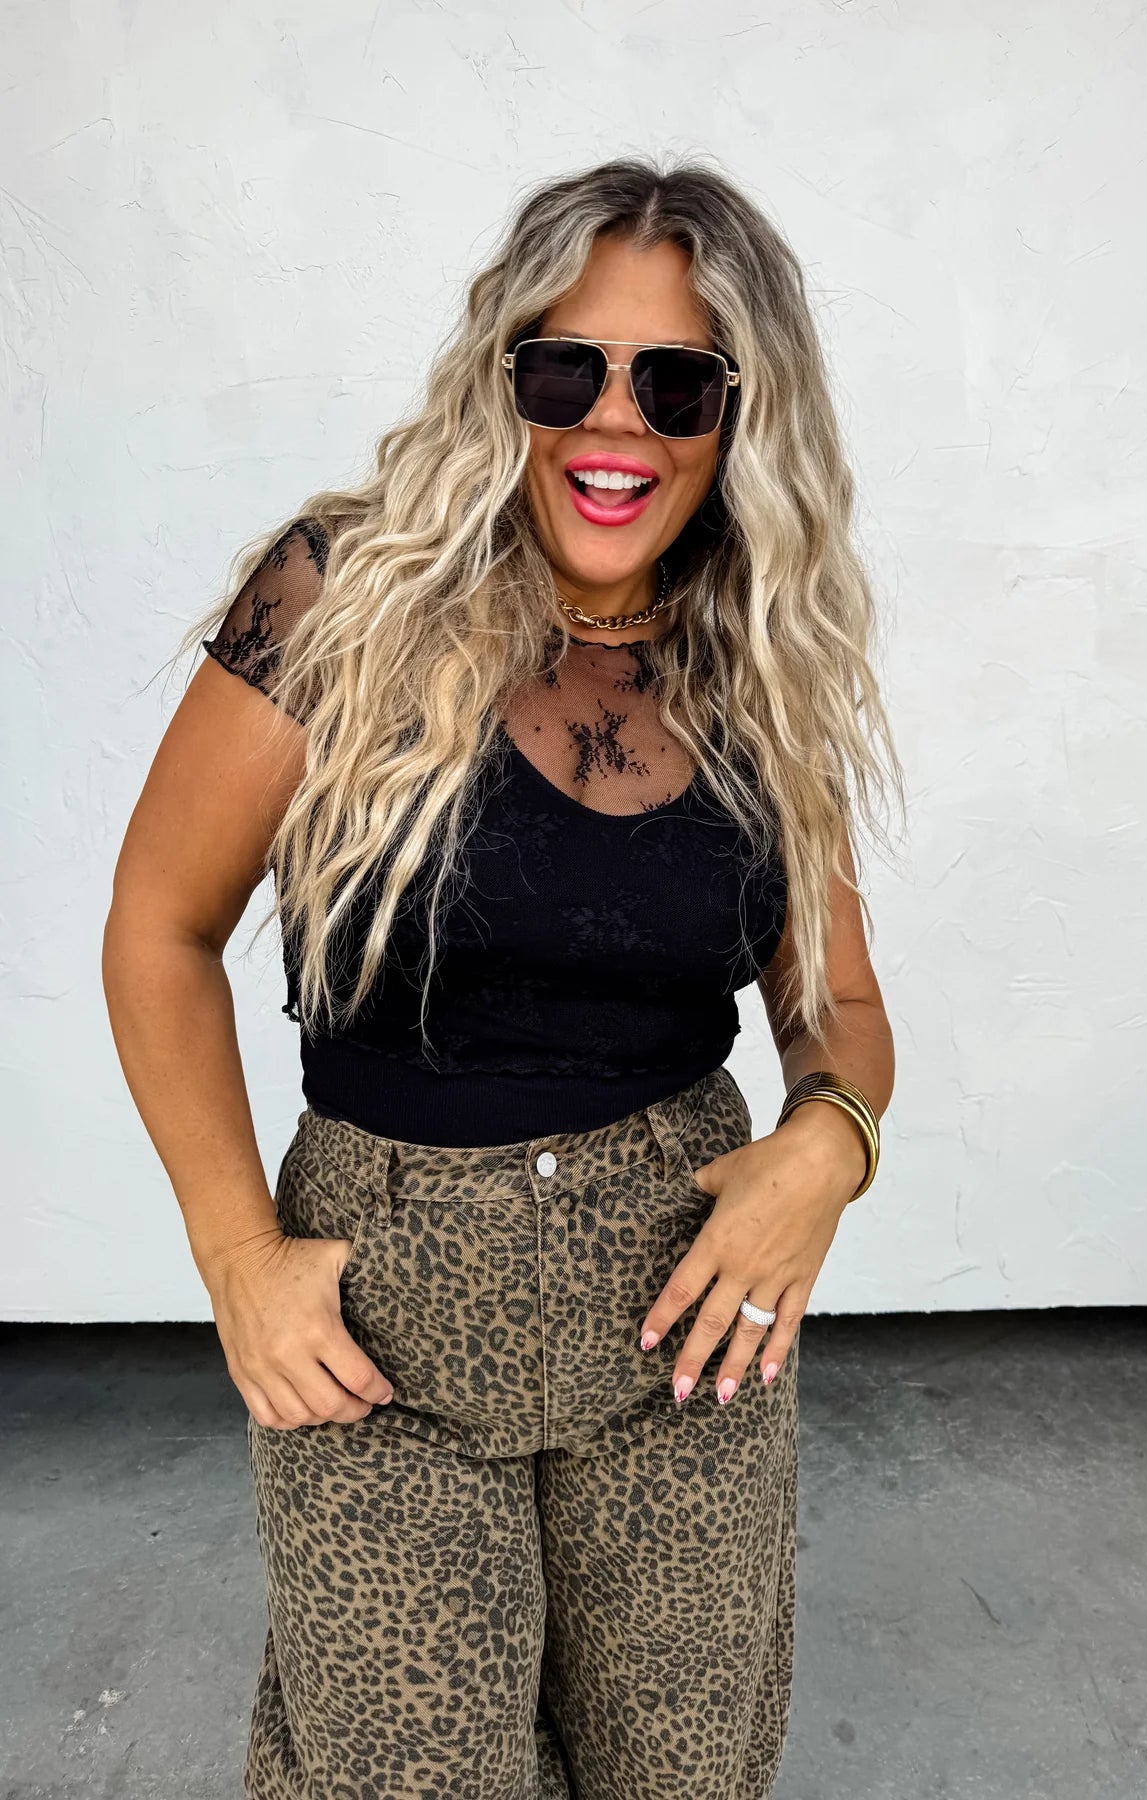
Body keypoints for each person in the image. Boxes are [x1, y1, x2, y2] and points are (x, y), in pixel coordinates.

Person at [103, 154, 901, 1800]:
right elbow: (158, 928)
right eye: (566, 370)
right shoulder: (344, 598)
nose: (616, 423)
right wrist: (237, 1255)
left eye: (676, 383)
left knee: (683, 1771)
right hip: (377, 1319)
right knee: (406, 1773)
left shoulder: (763, 656)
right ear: (503, 379)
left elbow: (838, 1005)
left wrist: (828, 1144)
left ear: (740, 415)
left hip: (687, 1321)